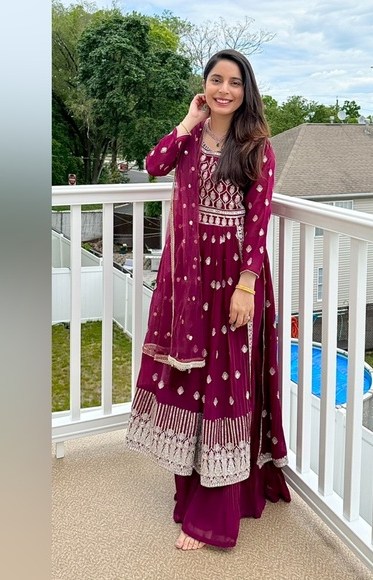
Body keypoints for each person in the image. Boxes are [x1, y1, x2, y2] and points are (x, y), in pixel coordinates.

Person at [126, 49, 290, 551]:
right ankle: (188, 492)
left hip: (233, 280)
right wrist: (186, 121)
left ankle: (215, 510)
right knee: (191, 383)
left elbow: (258, 221)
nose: (224, 89)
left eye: (234, 82)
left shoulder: (257, 145)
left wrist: (247, 284)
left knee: (226, 387)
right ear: (204, 86)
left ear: (246, 91)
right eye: (216, 80)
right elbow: (154, 165)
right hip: (188, 282)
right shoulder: (191, 137)